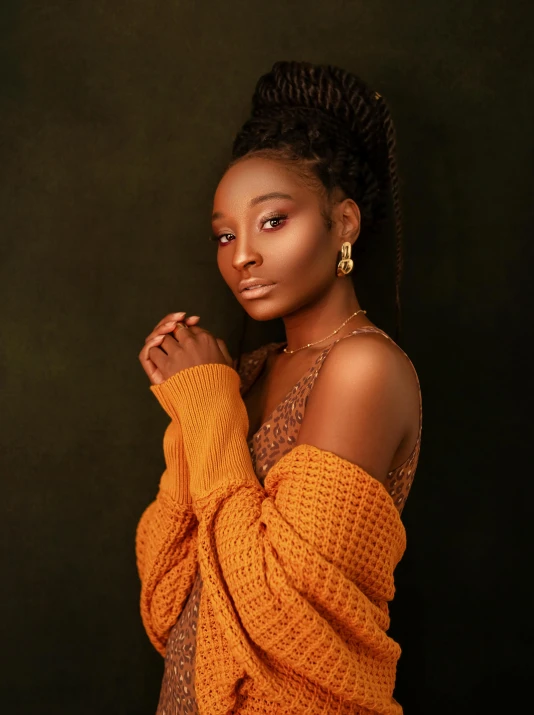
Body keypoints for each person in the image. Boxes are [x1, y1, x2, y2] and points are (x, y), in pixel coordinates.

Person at [135, 60, 422, 714]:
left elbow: (276, 613)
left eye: (272, 221)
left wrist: (208, 404)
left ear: (343, 223)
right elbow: (168, 599)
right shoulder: (253, 374)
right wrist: (191, 413)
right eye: (225, 235)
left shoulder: (363, 369)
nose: (241, 256)